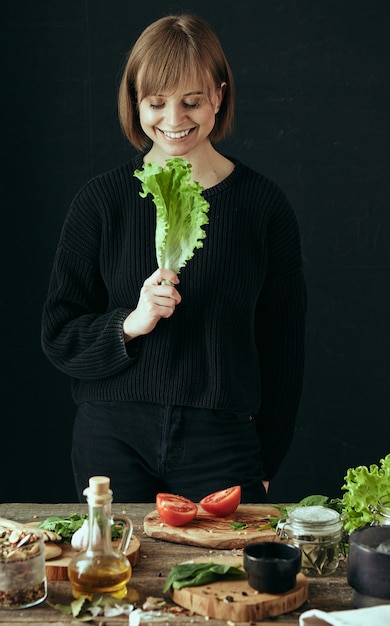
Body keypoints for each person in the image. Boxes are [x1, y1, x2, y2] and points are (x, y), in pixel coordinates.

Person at [41, 13, 306, 504]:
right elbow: (59, 335)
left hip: (222, 441)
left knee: (224, 579)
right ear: (135, 102)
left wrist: (266, 462)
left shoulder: (262, 206)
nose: (174, 120)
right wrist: (130, 323)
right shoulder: (100, 202)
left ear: (219, 97)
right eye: (156, 103)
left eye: (192, 101)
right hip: (111, 437)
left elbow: (284, 346)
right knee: (115, 573)